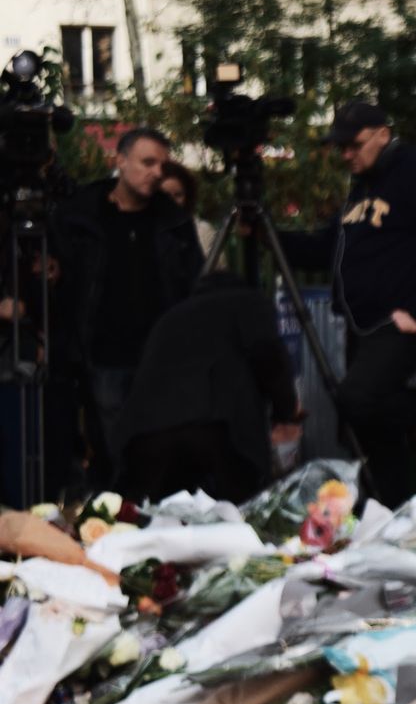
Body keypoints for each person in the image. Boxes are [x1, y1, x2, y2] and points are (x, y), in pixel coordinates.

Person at [279, 101, 416, 504]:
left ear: (383, 134)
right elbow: (327, 247)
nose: (347, 154)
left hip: (402, 319)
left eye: (355, 144)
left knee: (356, 399)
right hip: (363, 324)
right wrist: (271, 237)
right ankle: (391, 503)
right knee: (358, 420)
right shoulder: (360, 187)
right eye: (341, 147)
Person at [53, 127, 206, 483]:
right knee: (115, 454)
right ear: (120, 161)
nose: (156, 172)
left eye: (162, 165)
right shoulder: (81, 216)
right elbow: (64, 283)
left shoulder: (173, 220)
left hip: (161, 359)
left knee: (160, 454)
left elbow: (193, 284)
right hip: (105, 356)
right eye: (147, 162)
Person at [115, 274, 301, 503]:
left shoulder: (172, 315)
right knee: (238, 514)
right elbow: (270, 360)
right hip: (216, 422)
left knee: (157, 519)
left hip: (148, 432)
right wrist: (286, 411)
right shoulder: (249, 302)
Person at [158, 160, 219, 259]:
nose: (172, 201)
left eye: (178, 195)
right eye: (165, 196)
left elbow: (217, 270)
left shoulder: (203, 231)